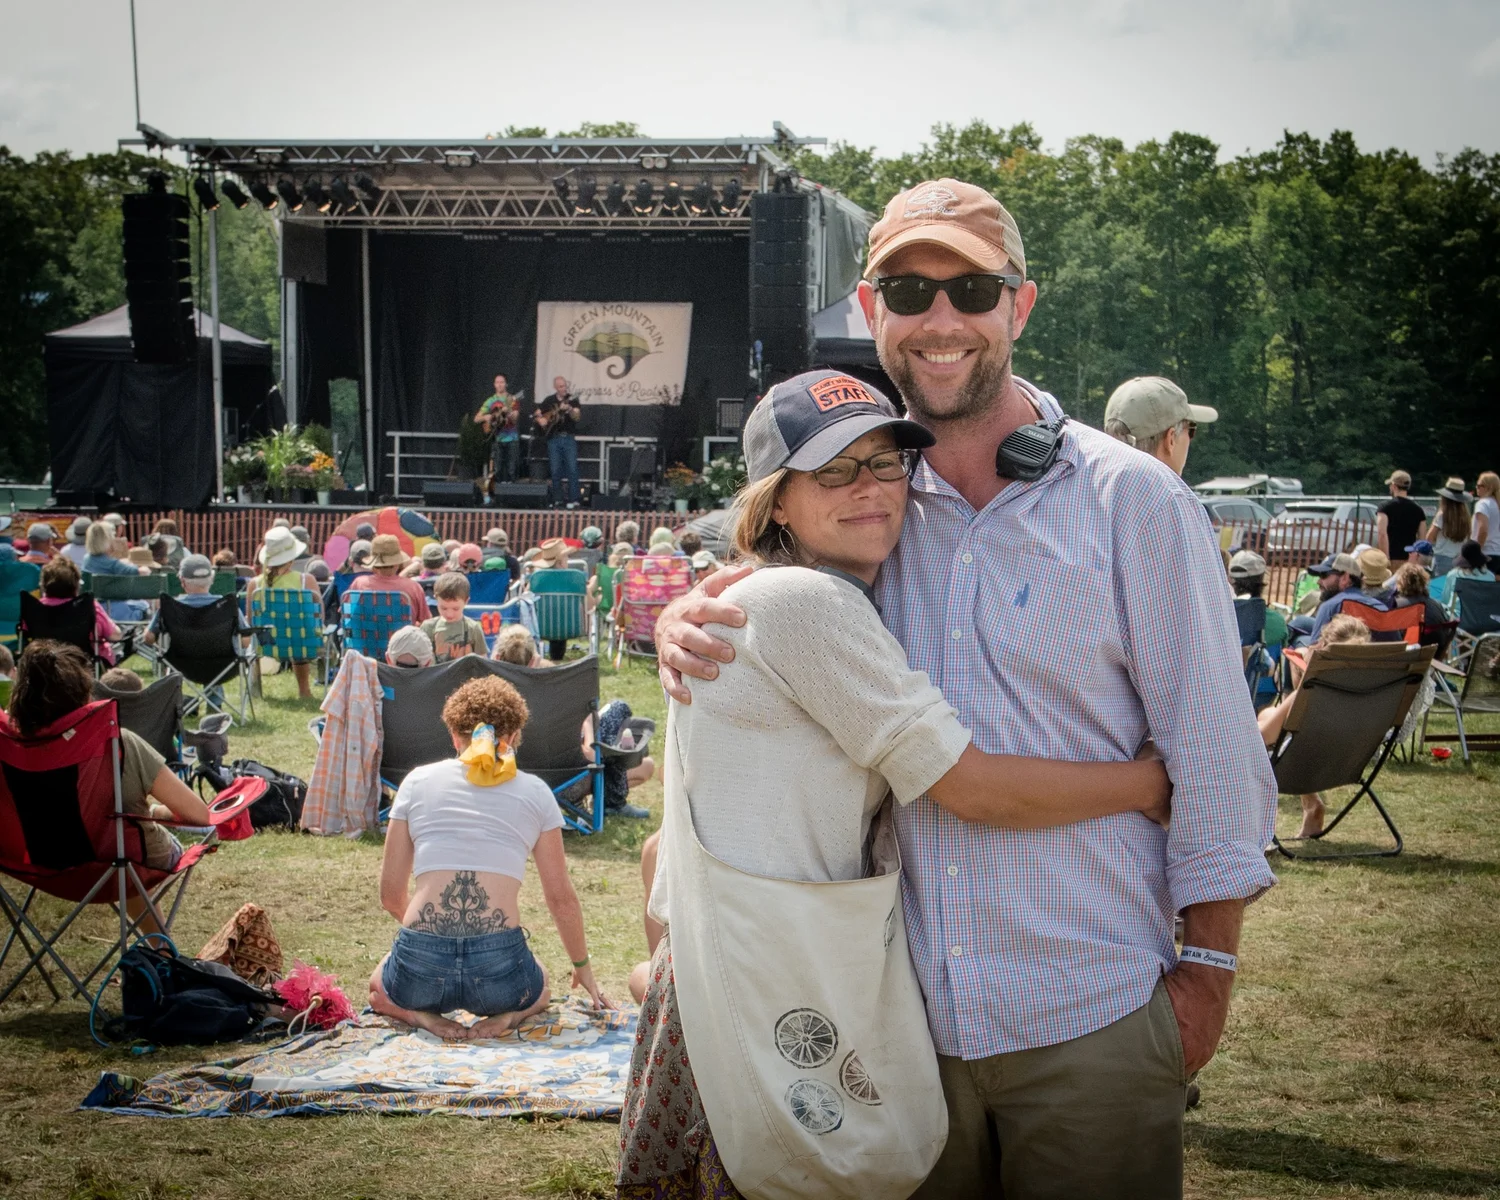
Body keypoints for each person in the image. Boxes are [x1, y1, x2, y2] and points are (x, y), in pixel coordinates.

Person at [654, 180, 1278, 1199]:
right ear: (871, 312)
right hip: (895, 1031)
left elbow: (1214, 758)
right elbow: (778, 598)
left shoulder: (1135, 503)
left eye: (972, 290)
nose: (940, 320)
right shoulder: (868, 514)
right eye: (908, 291)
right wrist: (696, 603)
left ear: (1018, 307)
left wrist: (1203, 985)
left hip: (1092, 1017)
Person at [632, 371, 1200, 1198]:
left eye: (885, 463)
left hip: (756, 970)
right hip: (778, 989)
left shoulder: (783, 595)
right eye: (833, 470)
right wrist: (1148, 785)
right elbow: (969, 788)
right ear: (775, 503)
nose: (869, 488)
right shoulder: (803, 603)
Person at [370, 675, 612, 1039]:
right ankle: (507, 1019)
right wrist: (583, 966)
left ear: (454, 736)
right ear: (513, 737)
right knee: (541, 984)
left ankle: (424, 1018)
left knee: (378, 985)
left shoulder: (416, 783)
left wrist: (429, 940)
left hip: (422, 962)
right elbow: (560, 898)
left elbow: (390, 895)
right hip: (498, 970)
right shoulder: (536, 793)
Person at [7, 641, 212, 883]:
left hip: (40, 867)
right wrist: (156, 812)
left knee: (124, 838)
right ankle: (150, 921)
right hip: (117, 861)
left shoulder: (10, 747)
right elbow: (199, 815)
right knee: (128, 843)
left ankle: (149, 922)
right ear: (85, 696)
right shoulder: (118, 743)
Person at [1256, 614, 1373, 838]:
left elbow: (1264, 736)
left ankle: (1299, 808)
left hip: (1303, 766)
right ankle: (1311, 805)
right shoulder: (1376, 687)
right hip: (1350, 760)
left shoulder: (1314, 686)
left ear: (1322, 647)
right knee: (1271, 714)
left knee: (1263, 722)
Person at [244, 530, 322, 700]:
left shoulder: (255, 584)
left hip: (266, 644)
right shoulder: (306, 581)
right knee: (300, 633)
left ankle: (257, 692)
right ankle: (304, 690)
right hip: (302, 643)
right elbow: (318, 617)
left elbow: (251, 621)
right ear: (292, 557)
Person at [1103, 376, 1218, 476]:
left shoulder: (1091, 494)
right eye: (1191, 430)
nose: (1190, 439)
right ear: (1171, 439)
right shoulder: (1171, 499)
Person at [143, 554, 250, 650]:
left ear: (182, 581)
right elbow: (245, 642)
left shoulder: (170, 607)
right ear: (212, 579)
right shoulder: (228, 605)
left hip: (180, 665)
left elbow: (149, 638)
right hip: (224, 666)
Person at [1289, 552, 1385, 646]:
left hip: (1338, 659)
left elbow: (1316, 652)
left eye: (1324, 575)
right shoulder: (1381, 608)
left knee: (1299, 639)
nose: (1318, 581)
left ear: (1345, 578)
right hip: (1380, 660)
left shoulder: (1331, 606)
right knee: (1300, 621)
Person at [37, 557, 122, 664]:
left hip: (46, 664)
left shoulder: (35, 608)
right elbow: (115, 635)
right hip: (85, 664)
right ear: (76, 585)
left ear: (44, 585)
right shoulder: (88, 606)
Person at [347, 534, 431, 623]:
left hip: (363, 637)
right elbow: (426, 620)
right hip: (403, 637)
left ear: (374, 564)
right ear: (397, 563)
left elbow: (347, 614)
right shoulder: (413, 587)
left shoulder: (359, 584)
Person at [82, 520, 149, 622]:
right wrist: (145, 568)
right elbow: (139, 572)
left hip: (92, 607)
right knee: (144, 606)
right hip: (114, 609)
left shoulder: (86, 560)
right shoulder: (112, 564)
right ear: (106, 541)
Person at [535, 375, 582, 507]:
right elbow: (537, 413)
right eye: (561, 386)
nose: (564, 388)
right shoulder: (549, 400)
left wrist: (570, 409)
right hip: (553, 438)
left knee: (572, 469)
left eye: (565, 386)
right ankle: (558, 499)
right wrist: (541, 420)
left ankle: (575, 499)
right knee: (555, 471)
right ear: (555, 387)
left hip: (568, 438)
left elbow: (577, 416)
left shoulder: (572, 399)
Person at [421, 573, 487, 662]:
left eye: (456, 609)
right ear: (436, 599)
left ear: (466, 601)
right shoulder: (428, 627)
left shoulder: (473, 628)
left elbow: (482, 660)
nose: (449, 614)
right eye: (443, 608)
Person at [475, 372, 522, 496]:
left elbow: (515, 419)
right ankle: (497, 496)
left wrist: (510, 413)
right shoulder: (491, 401)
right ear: (494, 385)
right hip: (497, 438)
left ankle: (512, 496)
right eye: (497, 382)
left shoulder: (512, 399)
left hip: (512, 438)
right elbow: (476, 418)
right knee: (498, 469)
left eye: (502, 382)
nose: (500, 384)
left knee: (512, 468)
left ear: (506, 384)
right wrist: (487, 416)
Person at [1376, 470, 1426, 563]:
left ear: (1394, 486)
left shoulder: (1384, 507)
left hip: (1391, 558)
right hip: (1410, 559)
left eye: (1390, 485)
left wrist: (1386, 558)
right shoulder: (1418, 510)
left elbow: (1382, 534)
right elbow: (1422, 538)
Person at [1437, 539, 1497, 616]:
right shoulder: (1490, 577)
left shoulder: (1454, 575)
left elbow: (1445, 600)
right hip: (1483, 620)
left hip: (1457, 620)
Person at [1474, 471, 1500, 572]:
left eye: (1480, 485)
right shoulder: (1497, 505)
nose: (1477, 487)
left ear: (1488, 487)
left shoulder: (1483, 504)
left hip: (1486, 553)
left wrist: (1475, 552)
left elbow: (1483, 530)